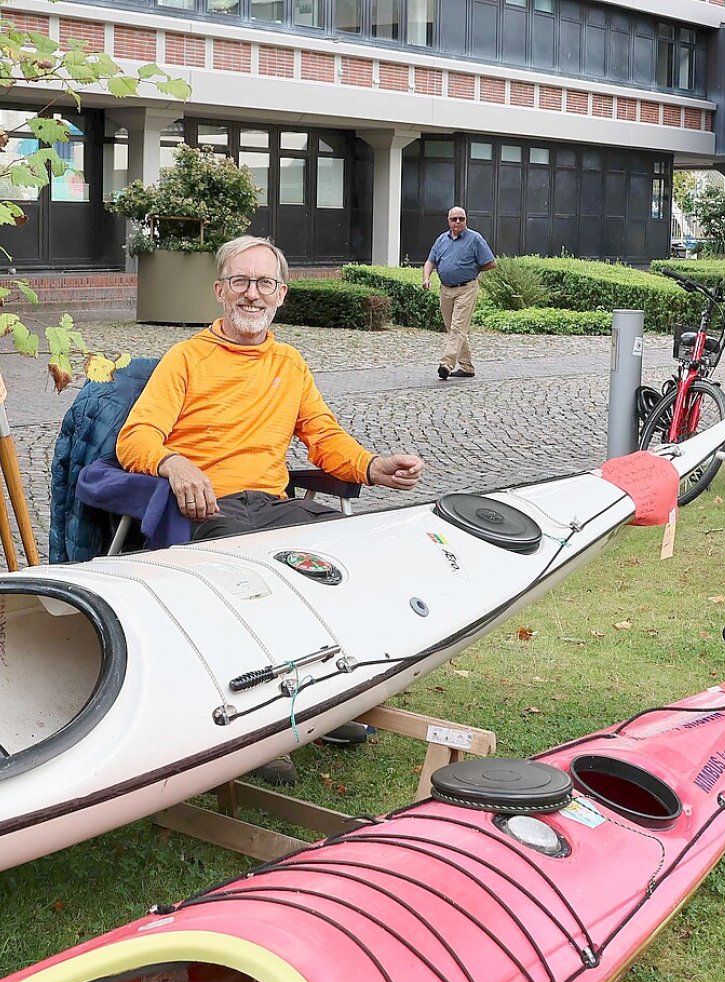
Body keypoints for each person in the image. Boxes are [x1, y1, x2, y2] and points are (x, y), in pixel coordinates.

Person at [116, 234, 425, 784]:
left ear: (281, 295)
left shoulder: (290, 362)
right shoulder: (186, 358)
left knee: (352, 561)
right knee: (251, 585)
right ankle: (260, 730)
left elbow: (324, 437)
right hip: (211, 507)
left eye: (264, 283)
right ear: (219, 290)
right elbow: (136, 436)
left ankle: (324, 706)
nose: (252, 295)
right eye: (241, 281)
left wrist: (372, 465)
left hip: (275, 505)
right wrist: (173, 463)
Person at [421, 207, 496, 380]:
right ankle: (467, 367)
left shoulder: (475, 239)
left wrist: (472, 270)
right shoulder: (442, 239)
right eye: (454, 219)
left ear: (466, 220)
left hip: (466, 288)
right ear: (448, 221)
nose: (457, 222)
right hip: (446, 289)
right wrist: (426, 278)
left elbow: (491, 263)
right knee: (453, 328)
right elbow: (430, 261)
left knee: (457, 327)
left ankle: (446, 364)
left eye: (461, 219)